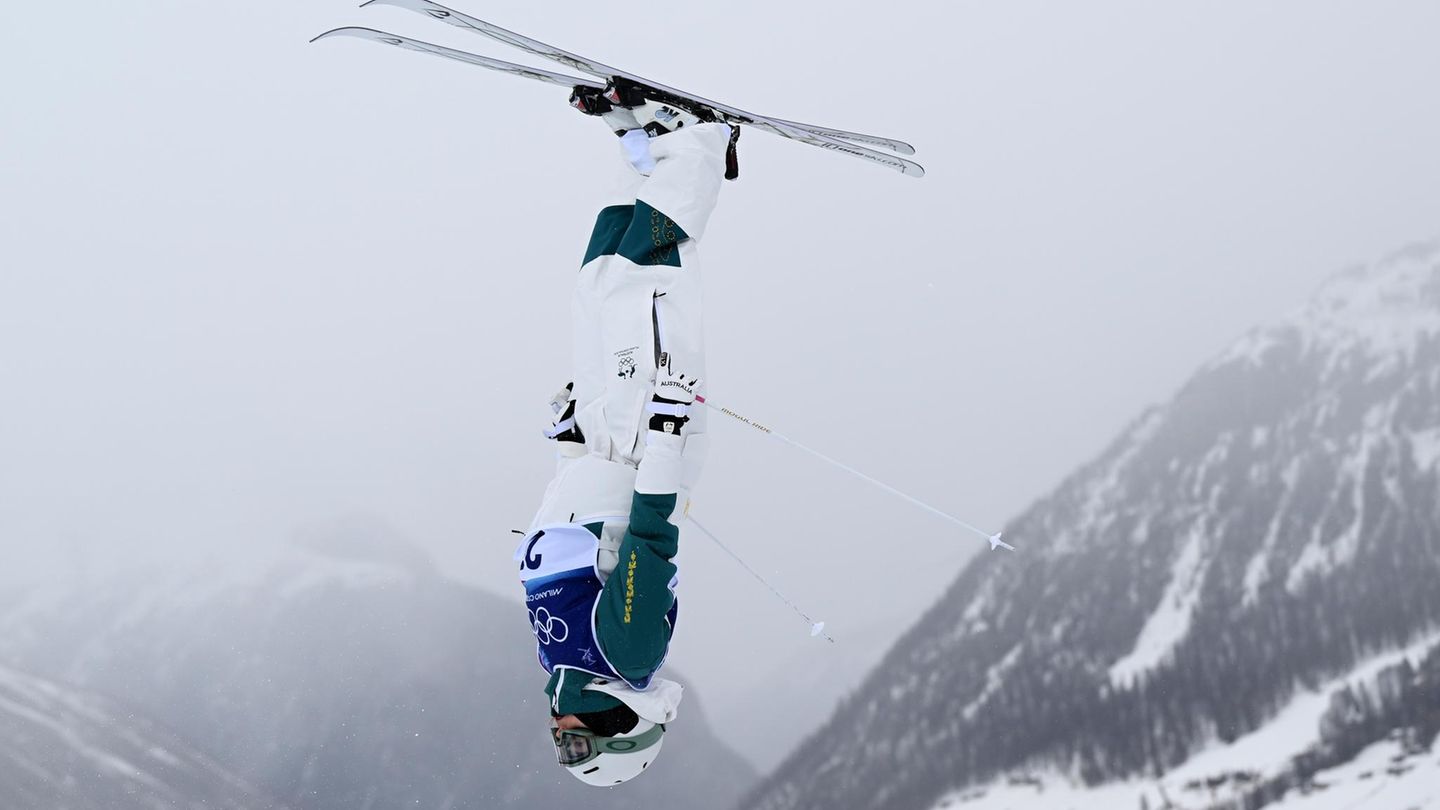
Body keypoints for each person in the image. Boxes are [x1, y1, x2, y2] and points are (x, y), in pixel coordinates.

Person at [513, 84, 739, 787]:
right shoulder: (626, 657)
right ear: (620, 732)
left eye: (561, 750)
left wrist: (568, 440)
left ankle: (640, 147)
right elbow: (648, 535)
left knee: (597, 285)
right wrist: (668, 435)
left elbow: (574, 526)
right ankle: (700, 142)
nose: (561, 736)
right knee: (644, 283)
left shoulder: (560, 658)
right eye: (577, 748)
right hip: (646, 440)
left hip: (606, 441)